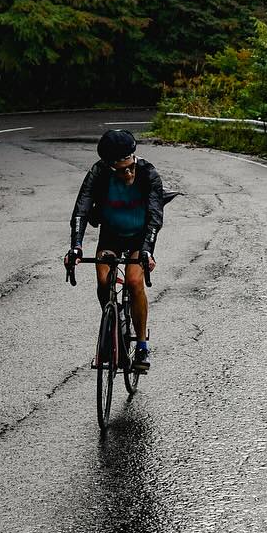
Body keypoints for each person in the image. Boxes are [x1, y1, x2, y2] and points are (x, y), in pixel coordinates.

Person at [67, 129, 164, 372]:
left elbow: (154, 216)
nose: (129, 173)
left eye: (130, 166)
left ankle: (141, 345)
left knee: (133, 281)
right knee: (103, 281)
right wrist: (76, 247)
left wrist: (147, 251)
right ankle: (113, 324)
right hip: (110, 236)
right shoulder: (98, 173)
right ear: (109, 167)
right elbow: (81, 210)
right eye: (121, 170)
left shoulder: (148, 173)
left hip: (138, 239)